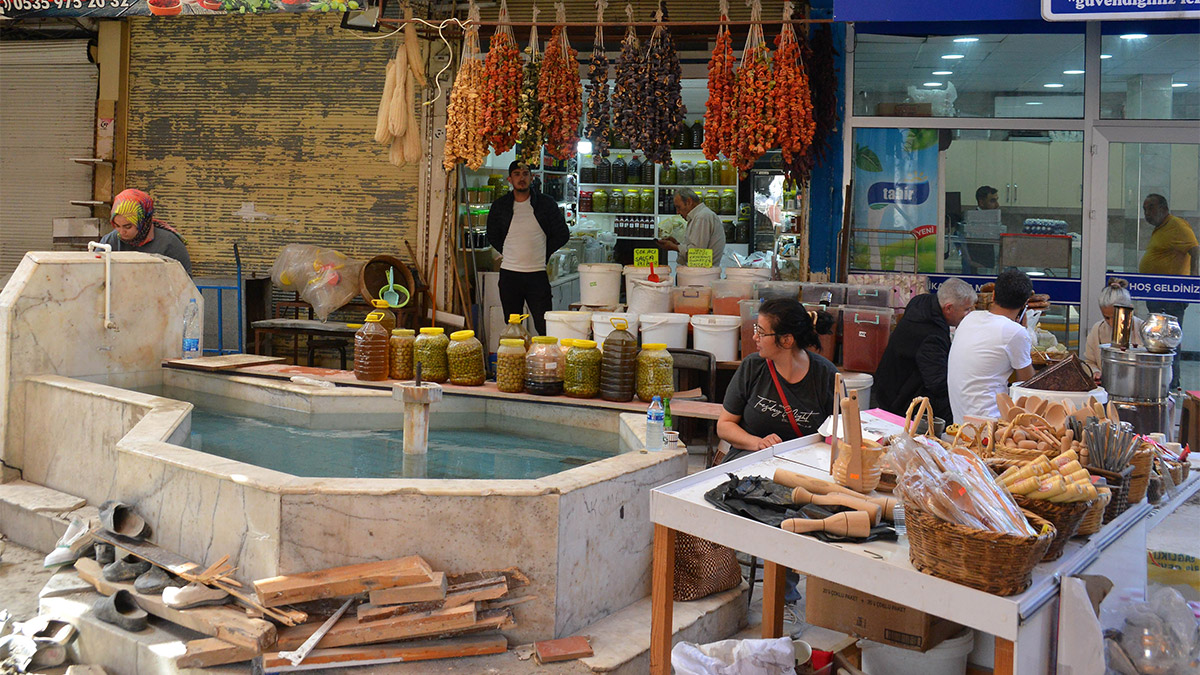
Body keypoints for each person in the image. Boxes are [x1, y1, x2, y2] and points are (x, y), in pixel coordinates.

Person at [718, 298, 838, 462]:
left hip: (803, 465)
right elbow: (724, 426)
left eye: (761, 332)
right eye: (756, 329)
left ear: (786, 340)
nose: (754, 337)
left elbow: (840, 433)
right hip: (750, 460)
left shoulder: (826, 375)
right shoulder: (753, 366)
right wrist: (758, 443)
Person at [872, 278, 976, 424]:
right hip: (900, 402)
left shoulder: (921, 302)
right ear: (948, 308)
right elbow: (937, 383)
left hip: (886, 387)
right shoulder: (932, 336)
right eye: (966, 309)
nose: (969, 313)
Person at [486, 161, 570, 336]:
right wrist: (509, 251)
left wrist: (544, 252)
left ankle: (545, 360)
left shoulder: (546, 204)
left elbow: (562, 234)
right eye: (517, 174)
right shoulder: (500, 206)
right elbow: (492, 235)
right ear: (510, 179)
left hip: (537, 276)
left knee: (545, 326)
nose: (521, 178)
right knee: (513, 328)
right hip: (510, 275)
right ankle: (514, 360)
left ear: (532, 177)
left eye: (525, 174)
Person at [946, 269, 1035, 424]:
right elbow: (1028, 383)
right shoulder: (1015, 332)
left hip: (959, 419)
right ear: (1024, 305)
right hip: (990, 425)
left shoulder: (969, 318)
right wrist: (1023, 330)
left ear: (993, 295)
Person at [1138, 194, 1198, 391]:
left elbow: (1195, 249)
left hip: (1171, 295)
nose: (1147, 213)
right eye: (1145, 208)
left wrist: (1193, 281)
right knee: (1156, 341)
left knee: (1168, 340)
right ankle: (1161, 382)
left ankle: (1171, 384)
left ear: (1164, 207)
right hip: (1156, 294)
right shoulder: (1160, 229)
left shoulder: (1177, 225)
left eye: (1151, 208)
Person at [99, 189, 191, 274]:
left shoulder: (169, 243)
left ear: (143, 221)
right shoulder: (110, 241)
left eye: (128, 226)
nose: (122, 232)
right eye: (117, 226)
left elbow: (184, 283)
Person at [1083, 278, 1145, 378]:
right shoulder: (1097, 330)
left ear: (1130, 309)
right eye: (1107, 317)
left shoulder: (1144, 331)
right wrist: (1095, 372)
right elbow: (1089, 362)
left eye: (1116, 317)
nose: (1111, 323)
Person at [656, 188, 726, 266]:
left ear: (689, 202)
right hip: (697, 273)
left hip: (701, 275)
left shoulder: (702, 217)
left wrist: (675, 247)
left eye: (679, 207)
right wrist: (677, 244)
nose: (677, 212)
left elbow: (697, 252)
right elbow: (695, 246)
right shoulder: (698, 217)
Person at [956, 186, 999, 275]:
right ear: (981, 202)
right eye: (992, 201)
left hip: (989, 268)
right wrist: (970, 261)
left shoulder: (994, 221)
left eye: (996, 200)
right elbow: (960, 242)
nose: (997, 205)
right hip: (973, 268)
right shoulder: (970, 220)